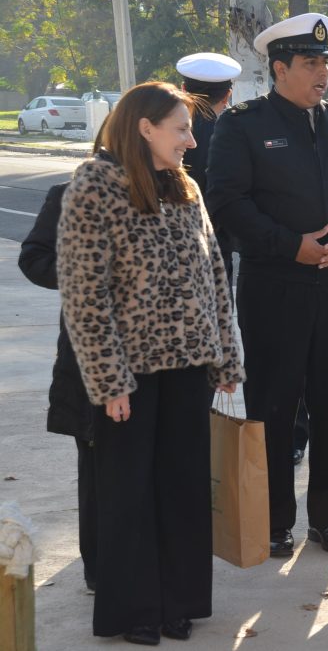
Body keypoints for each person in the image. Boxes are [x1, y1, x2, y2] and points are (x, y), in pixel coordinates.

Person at [56, 81, 243, 645]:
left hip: (188, 368)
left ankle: (178, 603)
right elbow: (85, 296)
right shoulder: (94, 185)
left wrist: (226, 358)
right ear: (145, 127)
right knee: (128, 495)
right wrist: (109, 381)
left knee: (183, 489)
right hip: (128, 376)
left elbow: (214, 276)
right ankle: (134, 611)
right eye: (181, 128)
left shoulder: (185, 186)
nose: (191, 140)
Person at [204, 13, 328, 558]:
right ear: (280, 68)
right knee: (273, 403)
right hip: (275, 287)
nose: (323, 73)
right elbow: (227, 202)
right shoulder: (242, 125)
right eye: (311, 63)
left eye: (325, 63)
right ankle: (272, 520)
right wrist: (292, 245)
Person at [18, 180, 97, 593]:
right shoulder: (70, 194)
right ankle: (100, 566)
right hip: (91, 359)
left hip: (163, 365)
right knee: (98, 465)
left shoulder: (178, 195)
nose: (190, 147)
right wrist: (88, 275)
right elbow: (35, 257)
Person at [176, 52, 242, 284]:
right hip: (216, 242)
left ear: (183, 90)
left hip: (173, 243)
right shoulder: (234, 134)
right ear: (227, 95)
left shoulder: (166, 131)